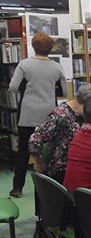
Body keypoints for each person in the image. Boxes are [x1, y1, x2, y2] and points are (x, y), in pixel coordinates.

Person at [8, 33, 68, 197]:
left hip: (27, 114)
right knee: (50, 151)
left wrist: (27, 87)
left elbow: (13, 87)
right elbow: (65, 91)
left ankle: (17, 187)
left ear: (33, 47)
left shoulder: (24, 64)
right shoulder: (56, 67)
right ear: (50, 48)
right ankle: (49, 187)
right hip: (49, 116)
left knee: (23, 151)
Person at [29, 84, 91, 184]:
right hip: (61, 170)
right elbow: (34, 141)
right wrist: (39, 164)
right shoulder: (60, 115)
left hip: (78, 167)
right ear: (87, 104)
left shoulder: (81, 115)